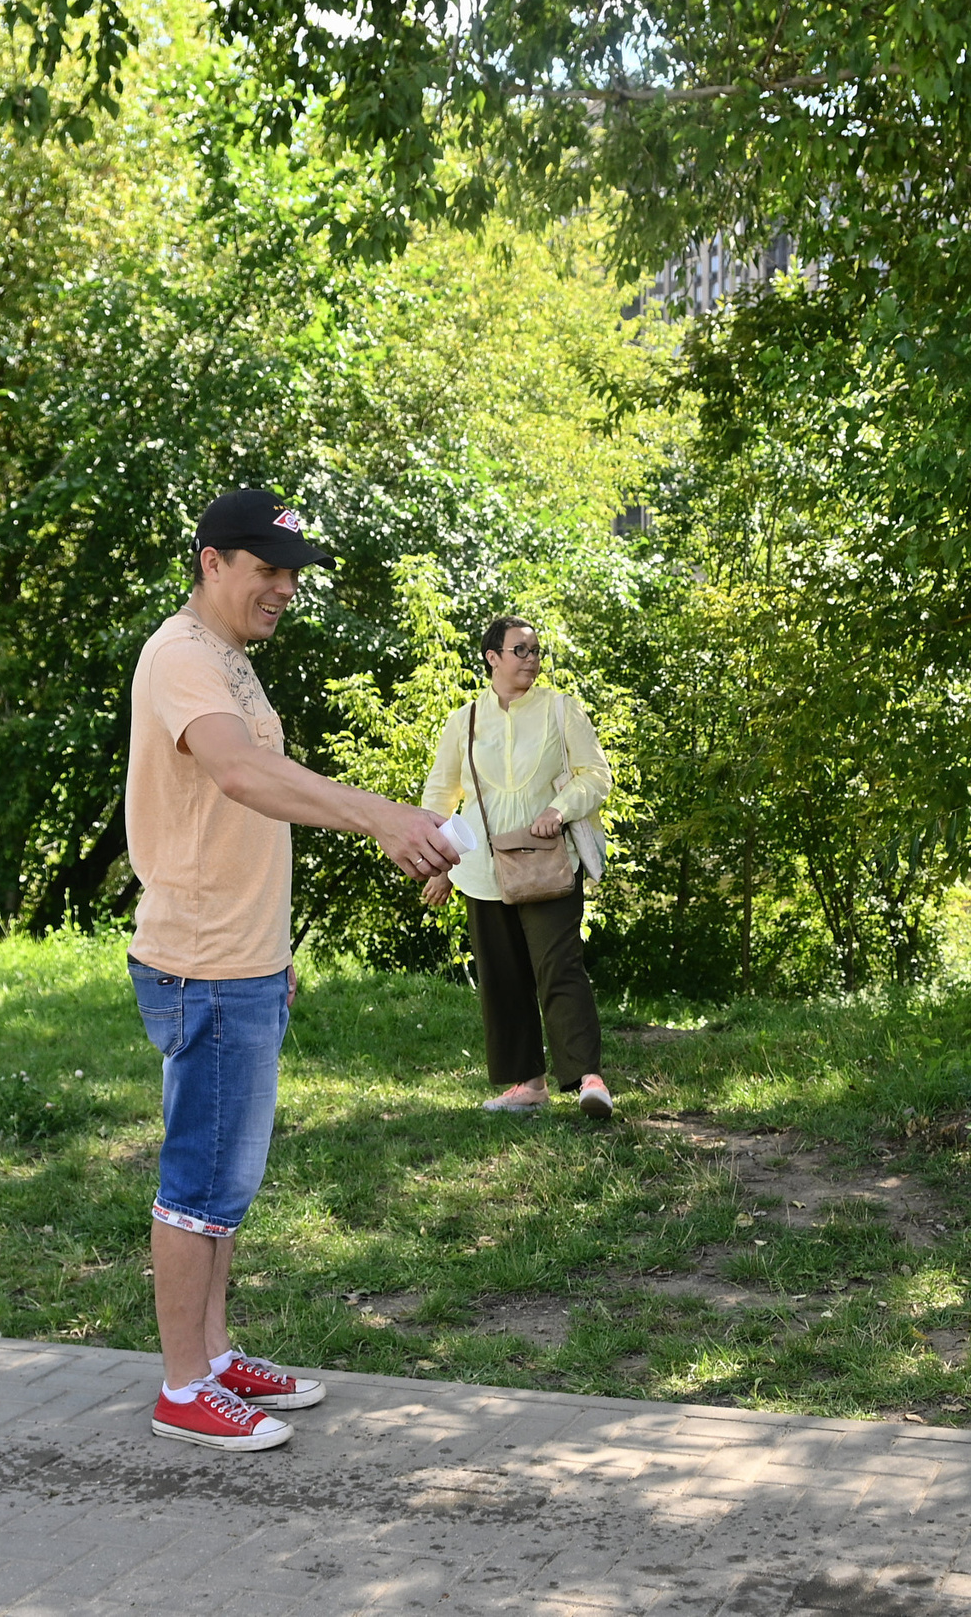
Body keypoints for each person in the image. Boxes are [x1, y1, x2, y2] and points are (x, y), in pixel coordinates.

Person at [125, 489, 463, 1452]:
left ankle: (216, 1354)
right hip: (203, 961)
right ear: (211, 563)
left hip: (243, 959)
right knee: (199, 1177)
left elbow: (245, 806)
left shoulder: (227, 660)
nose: (284, 586)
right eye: (266, 568)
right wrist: (385, 815)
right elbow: (239, 775)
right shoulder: (182, 656)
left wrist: (276, 954)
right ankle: (183, 1386)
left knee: (226, 1180)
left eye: (291, 571)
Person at [421, 616, 617, 1118]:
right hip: (482, 870)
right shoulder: (462, 721)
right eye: (520, 650)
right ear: (493, 657)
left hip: (550, 864)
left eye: (535, 651)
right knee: (501, 977)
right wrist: (441, 865)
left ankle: (589, 1080)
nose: (531, 659)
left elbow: (596, 775)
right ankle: (527, 1085)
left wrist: (560, 809)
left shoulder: (560, 710)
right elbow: (440, 799)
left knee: (559, 967)